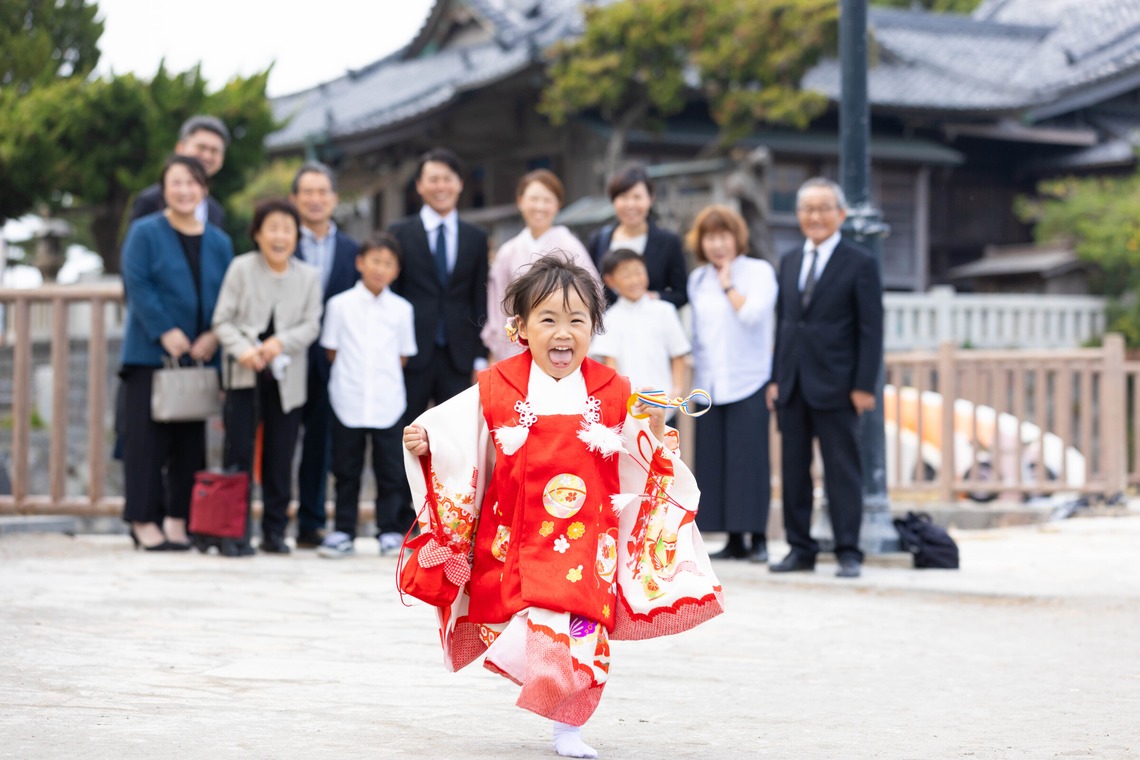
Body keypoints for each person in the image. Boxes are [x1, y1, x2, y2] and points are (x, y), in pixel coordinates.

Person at [402, 254, 722, 759]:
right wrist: (428, 441)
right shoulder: (496, 385)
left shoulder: (614, 391)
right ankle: (531, 669)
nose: (563, 332)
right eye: (547, 319)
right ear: (520, 327)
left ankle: (567, 728)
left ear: (594, 328)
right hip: (519, 533)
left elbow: (643, 454)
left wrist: (657, 431)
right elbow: (457, 434)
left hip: (588, 539)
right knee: (539, 618)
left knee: (582, 632)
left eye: (577, 320)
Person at [766, 178, 884, 579]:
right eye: (807, 209)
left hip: (839, 384)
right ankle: (801, 549)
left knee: (841, 470)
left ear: (841, 214)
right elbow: (784, 324)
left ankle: (849, 550)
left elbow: (871, 330)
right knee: (794, 470)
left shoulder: (860, 261)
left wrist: (864, 386)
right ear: (798, 216)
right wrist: (776, 378)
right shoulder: (789, 261)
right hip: (793, 382)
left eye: (823, 208)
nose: (815, 217)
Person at [119, 155, 233, 550]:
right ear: (164, 189)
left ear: (204, 188)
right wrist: (164, 330)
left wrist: (214, 336)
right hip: (150, 353)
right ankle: (143, 520)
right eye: (176, 183)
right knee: (145, 442)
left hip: (200, 356)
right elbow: (138, 282)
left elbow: (227, 296)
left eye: (192, 183)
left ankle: (178, 520)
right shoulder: (145, 231)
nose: (184, 190)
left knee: (190, 443)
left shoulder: (219, 240)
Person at [212, 199, 322, 554]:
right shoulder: (241, 268)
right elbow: (222, 320)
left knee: (280, 456)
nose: (279, 236)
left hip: (287, 377)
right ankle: (234, 532)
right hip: (244, 373)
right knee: (238, 453)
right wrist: (244, 349)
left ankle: (274, 532)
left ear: (296, 236)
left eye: (287, 229)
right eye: (271, 228)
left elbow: (311, 325)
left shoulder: (308, 277)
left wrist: (280, 343)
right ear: (257, 233)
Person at [389, 147, 488, 530]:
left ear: (460, 184)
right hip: (412, 350)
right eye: (433, 178)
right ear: (420, 185)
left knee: (453, 436)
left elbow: (478, 296)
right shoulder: (400, 232)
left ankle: (450, 516)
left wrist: (480, 355)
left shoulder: (476, 236)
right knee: (408, 430)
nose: (441, 185)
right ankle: (403, 518)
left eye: (448, 178)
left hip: (459, 352)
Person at [685, 206, 778, 563]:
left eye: (723, 236)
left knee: (750, 459)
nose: (717, 244)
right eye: (710, 237)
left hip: (749, 377)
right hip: (709, 381)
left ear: (737, 237)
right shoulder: (697, 280)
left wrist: (728, 284)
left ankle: (758, 537)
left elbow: (753, 314)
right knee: (717, 459)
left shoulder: (759, 272)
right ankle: (732, 536)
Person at [316, 234, 417, 558]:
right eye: (375, 260)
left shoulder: (402, 309)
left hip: (388, 399)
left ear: (397, 271)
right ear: (360, 263)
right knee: (346, 469)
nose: (380, 268)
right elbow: (331, 350)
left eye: (388, 263)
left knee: (389, 468)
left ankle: (388, 530)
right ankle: (343, 530)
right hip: (348, 396)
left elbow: (404, 355)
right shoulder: (339, 305)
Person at [288, 162, 361, 549]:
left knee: (321, 440)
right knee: (283, 440)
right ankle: (271, 519)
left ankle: (311, 522)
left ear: (334, 198)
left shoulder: (353, 251)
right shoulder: (282, 242)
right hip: (288, 353)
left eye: (322, 192)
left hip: (334, 357)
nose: (315, 200)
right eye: (307, 192)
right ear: (294, 199)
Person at [481, 169, 598, 363]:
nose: (540, 206)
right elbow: (497, 305)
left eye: (547, 200)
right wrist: (496, 349)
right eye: (534, 199)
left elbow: (593, 298)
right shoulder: (508, 251)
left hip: (562, 346)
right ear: (520, 201)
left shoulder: (571, 246)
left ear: (558, 205)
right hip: (515, 347)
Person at [590, 248, 690, 406]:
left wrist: (677, 390)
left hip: (664, 402)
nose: (634, 280)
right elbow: (610, 362)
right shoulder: (609, 318)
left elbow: (678, 354)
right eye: (626, 275)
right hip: (628, 405)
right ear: (610, 281)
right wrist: (618, 397)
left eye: (639, 272)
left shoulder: (664, 310)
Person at [585, 164, 688, 308]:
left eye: (637, 197)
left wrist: (655, 297)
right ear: (614, 201)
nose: (630, 204)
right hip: (609, 327)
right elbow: (588, 288)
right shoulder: (599, 240)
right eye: (623, 197)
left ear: (651, 199)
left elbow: (682, 294)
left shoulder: (668, 242)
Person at [130, 115, 229, 226]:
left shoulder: (216, 212)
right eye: (201, 147)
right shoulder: (150, 201)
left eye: (214, 150)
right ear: (180, 148)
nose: (207, 156)